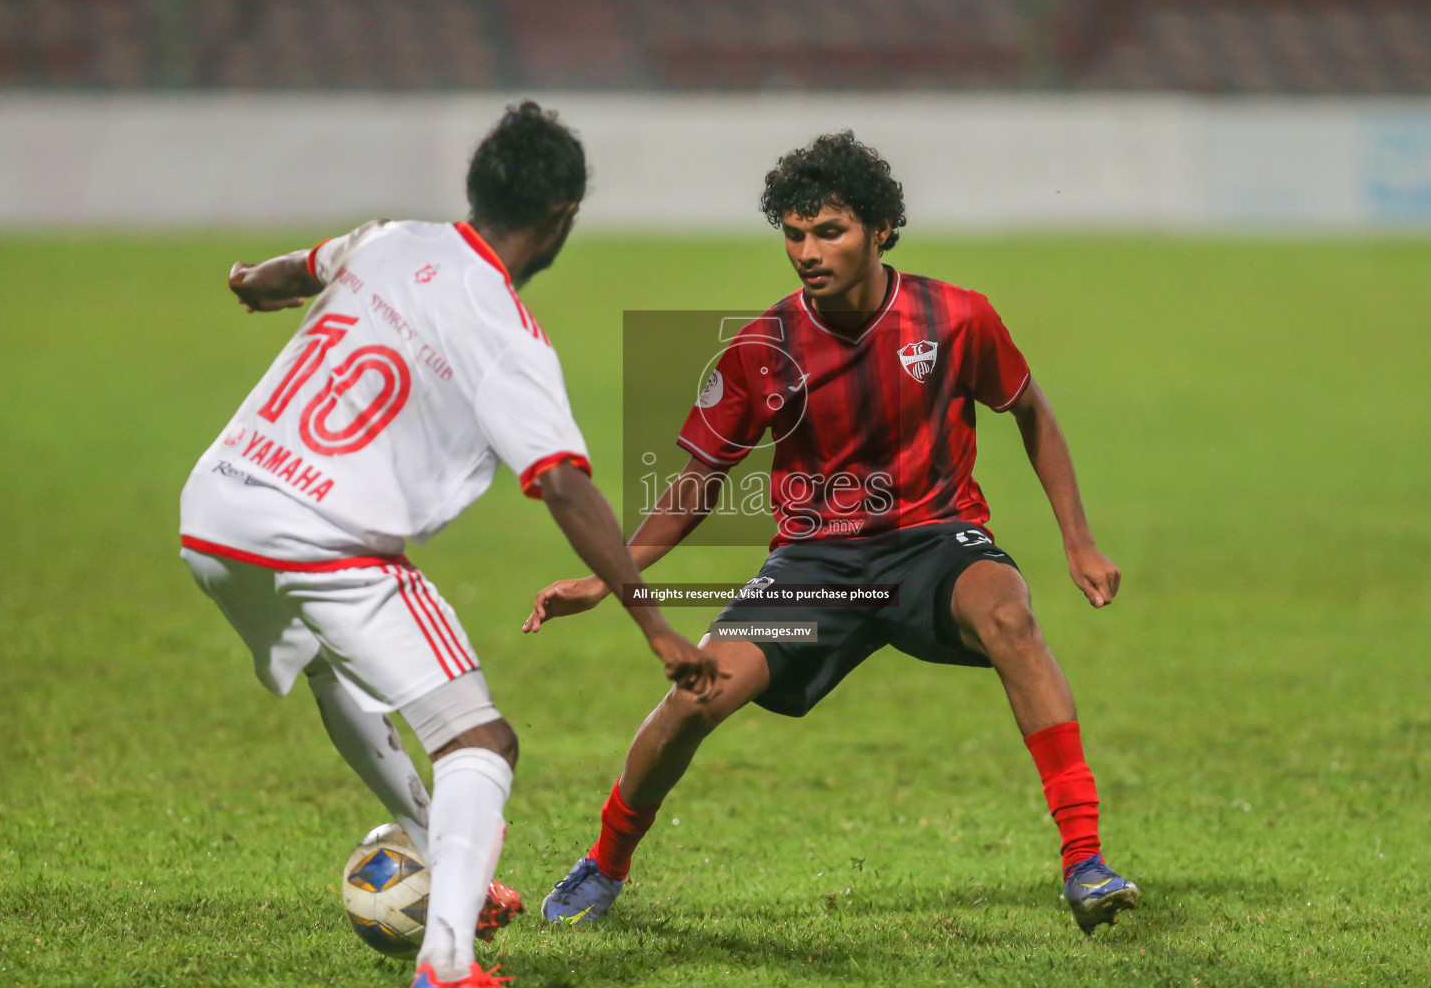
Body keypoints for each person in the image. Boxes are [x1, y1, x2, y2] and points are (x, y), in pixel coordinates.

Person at [527, 132, 1139, 935]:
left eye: (830, 231)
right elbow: (697, 483)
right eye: (794, 233)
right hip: (814, 568)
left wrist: (1077, 539)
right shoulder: (761, 347)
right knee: (696, 699)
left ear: (881, 229)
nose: (807, 251)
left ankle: (1085, 860)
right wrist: (609, 579)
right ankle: (603, 863)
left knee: (1010, 618)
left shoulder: (956, 317)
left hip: (936, 544)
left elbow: (1029, 411)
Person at [177, 101, 719, 988]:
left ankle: (443, 853)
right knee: (481, 741)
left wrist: (251, 282)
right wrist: (654, 623)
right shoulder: (506, 334)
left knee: (326, 662)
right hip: (322, 538)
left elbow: (294, 270)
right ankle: (447, 961)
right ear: (563, 218)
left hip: (217, 510)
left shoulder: (390, 240)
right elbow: (564, 485)